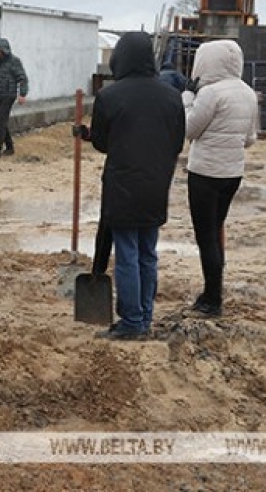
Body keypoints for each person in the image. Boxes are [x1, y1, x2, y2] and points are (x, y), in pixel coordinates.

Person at [74, 31, 185, 340]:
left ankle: (132, 322)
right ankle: (145, 317)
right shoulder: (171, 96)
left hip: (123, 185)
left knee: (126, 253)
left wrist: (90, 135)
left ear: (121, 58)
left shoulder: (110, 96)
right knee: (147, 252)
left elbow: (102, 142)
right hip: (156, 184)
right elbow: (176, 142)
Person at [182, 40, 259, 318]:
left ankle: (212, 298)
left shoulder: (210, 93)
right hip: (232, 174)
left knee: (206, 236)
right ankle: (213, 290)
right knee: (216, 230)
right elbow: (250, 139)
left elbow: (189, 129)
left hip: (205, 173)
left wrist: (187, 98)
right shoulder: (248, 93)